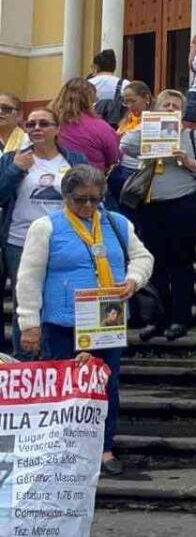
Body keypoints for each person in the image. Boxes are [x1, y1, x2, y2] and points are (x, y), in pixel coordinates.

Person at [16, 164, 154, 477]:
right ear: (66, 197)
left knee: (107, 385)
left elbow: (144, 257)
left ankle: (105, 449)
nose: (88, 206)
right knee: (65, 389)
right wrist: (29, 324)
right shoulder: (45, 226)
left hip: (107, 321)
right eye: (80, 200)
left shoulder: (116, 223)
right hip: (63, 321)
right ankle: (65, 450)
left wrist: (133, 280)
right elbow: (29, 277)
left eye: (95, 199)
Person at [122, 90, 196, 342]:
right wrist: (149, 125)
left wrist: (188, 161)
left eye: (175, 106)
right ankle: (158, 318)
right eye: (165, 105)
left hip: (184, 206)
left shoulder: (194, 135)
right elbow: (126, 145)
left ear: (183, 112)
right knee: (155, 264)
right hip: (151, 206)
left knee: (181, 264)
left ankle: (180, 318)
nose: (170, 109)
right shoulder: (147, 132)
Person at [0, 109, 88, 358]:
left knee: (59, 296)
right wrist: (15, 169)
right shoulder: (12, 158)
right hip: (19, 242)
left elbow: (91, 197)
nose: (36, 128)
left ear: (57, 129)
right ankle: (24, 359)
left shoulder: (73, 159)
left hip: (63, 240)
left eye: (43, 123)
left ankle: (54, 357)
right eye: (31, 124)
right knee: (25, 302)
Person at [48, 77, 120, 172]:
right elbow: (113, 158)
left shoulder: (48, 121)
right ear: (91, 100)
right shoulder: (101, 127)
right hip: (91, 179)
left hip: (52, 174)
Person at [104, 81, 153, 211]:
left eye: (133, 101)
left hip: (139, 173)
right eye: (126, 102)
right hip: (121, 169)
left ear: (146, 98)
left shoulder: (153, 119)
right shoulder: (128, 119)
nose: (129, 106)